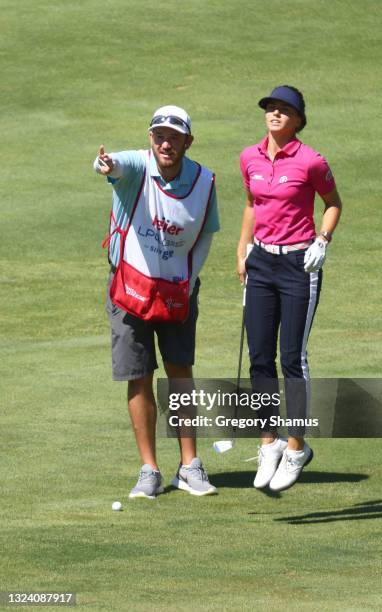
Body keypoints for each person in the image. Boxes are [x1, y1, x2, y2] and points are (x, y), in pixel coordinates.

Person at [94, 105, 219, 498]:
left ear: (187, 142)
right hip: (129, 288)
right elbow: (115, 166)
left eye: (174, 137)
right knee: (139, 374)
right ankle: (149, 470)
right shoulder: (135, 165)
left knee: (180, 374)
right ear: (151, 139)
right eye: (160, 135)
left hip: (177, 289)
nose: (166, 143)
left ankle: (190, 466)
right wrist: (105, 164)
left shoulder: (203, 181)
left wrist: (187, 281)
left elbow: (205, 235)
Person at [237, 86, 342, 492]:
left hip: (300, 263)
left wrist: (323, 240)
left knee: (291, 358)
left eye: (284, 110)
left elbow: (333, 203)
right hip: (261, 261)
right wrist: (242, 250)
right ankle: (270, 443)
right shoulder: (250, 157)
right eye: (270, 108)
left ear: (298, 119)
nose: (275, 114)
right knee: (259, 357)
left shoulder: (312, 160)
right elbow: (252, 204)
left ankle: (297, 447)